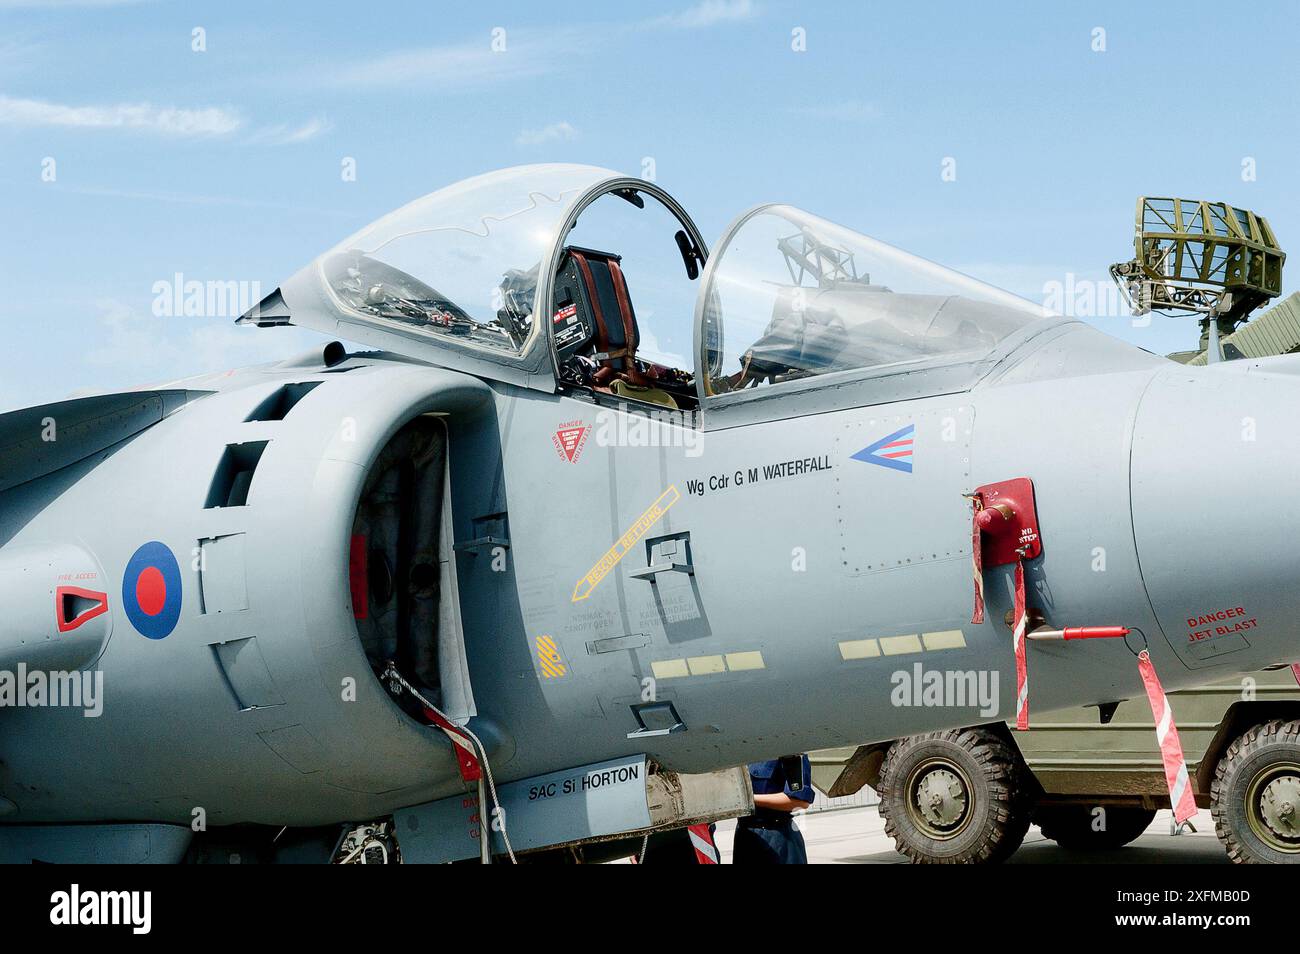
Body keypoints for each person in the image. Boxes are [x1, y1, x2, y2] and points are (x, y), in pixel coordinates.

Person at [732, 755, 814, 864]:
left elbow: (800, 801)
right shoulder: (736, 749)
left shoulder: (789, 748)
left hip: (777, 837)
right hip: (745, 836)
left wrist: (748, 799)